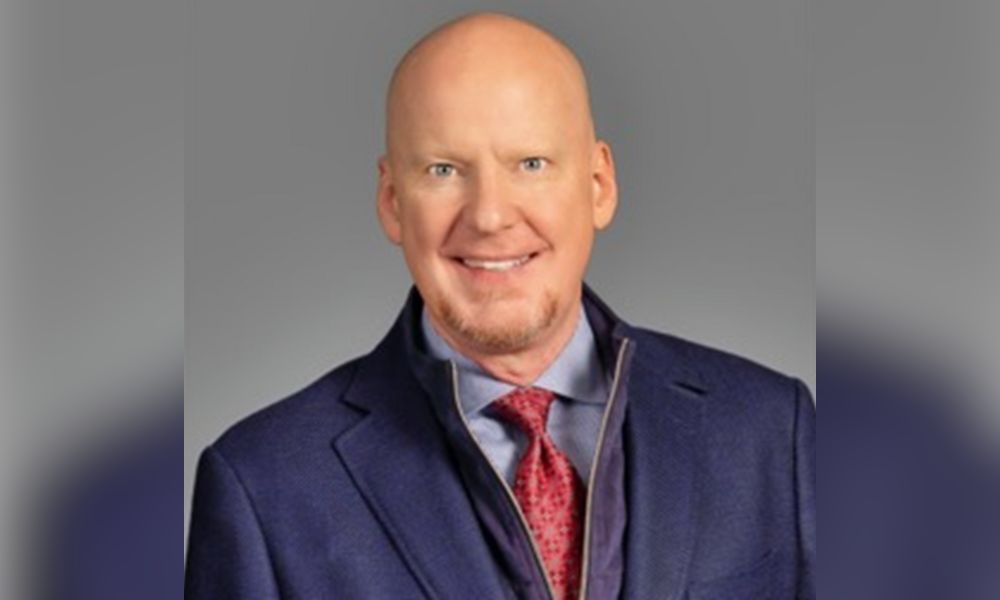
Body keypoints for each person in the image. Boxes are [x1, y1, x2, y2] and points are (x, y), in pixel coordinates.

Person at [185, 12, 815, 600]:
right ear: (392, 201)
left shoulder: (769, 430)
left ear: (599, 185)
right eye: (443, 170)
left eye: (530, 163)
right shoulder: (263, 488)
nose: (489, 216)